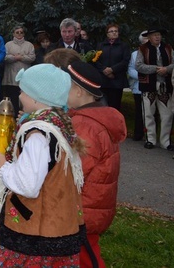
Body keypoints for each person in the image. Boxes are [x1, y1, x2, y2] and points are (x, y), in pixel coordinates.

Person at [0, 63, 85, 267]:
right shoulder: (58, 125)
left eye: (23, 91)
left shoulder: (37, 135)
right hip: (58, 225)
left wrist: (3, 165)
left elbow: (29, 185)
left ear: (35, 98)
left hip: (33, 230)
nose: (20, 96)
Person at [66, 60, 126, 268]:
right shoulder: (91, 119)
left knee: (86, 259)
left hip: (82, 210)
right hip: (90, 207)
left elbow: (74, 170)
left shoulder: (86, 126)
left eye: (66, 86)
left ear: (79, 91)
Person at [135, 28, 174, 150]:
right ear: (149, 37)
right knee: (148, 113)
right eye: (154, 35)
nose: (157, 37)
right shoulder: (143, 49)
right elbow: (138, 66)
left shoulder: (168, 48)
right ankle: (150, 139)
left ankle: (166, 142)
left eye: (159, 35)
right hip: (148, 85)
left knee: (167, 114)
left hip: (165, 85)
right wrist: (156, 68)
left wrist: (167, 69)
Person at [95, 23, 131, 112]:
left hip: (117, 80)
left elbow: (125, 61)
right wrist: (104, 70)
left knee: (115, 107)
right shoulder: (101, 45)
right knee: (102, 106)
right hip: (103, 80)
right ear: (107, 34)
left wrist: (112, 70)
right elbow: (95, 60)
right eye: (111, 31)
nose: (114, 33)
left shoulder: (123, 46)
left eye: (116, 31)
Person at [2, 25, 36, 115]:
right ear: (13, 33)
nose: (19, 34)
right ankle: (12, 117)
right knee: (13, 100)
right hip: (11, 77)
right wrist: (14, 58)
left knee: (24, 100)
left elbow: (32, 58)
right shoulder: (8, 45)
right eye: (17, 32)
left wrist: (21, 57)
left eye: (21, 32)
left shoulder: (29, 45)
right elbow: (4, 57)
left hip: (24, 78)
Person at [127, 31, 147, 141]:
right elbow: (130, 69)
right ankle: (138, 134)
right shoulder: (135, 54)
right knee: (139, 112)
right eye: (145, 41)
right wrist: (142, 77)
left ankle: (151, 136)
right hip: (139, 86)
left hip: (153, 87)